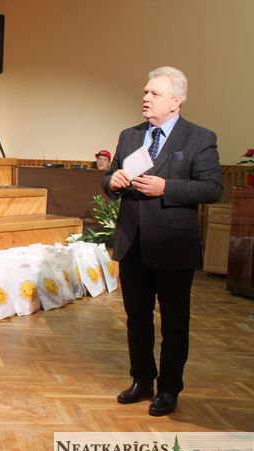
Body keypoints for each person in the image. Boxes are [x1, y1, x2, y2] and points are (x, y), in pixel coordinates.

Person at [102, 66, 222, 416]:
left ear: (176, 101)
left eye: (154, 93)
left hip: (173, 246)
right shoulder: (129, 135)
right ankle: (142, 380)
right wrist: (112, 182)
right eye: (145, 92)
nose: (145, 98)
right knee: (136, 319)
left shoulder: (200, 138)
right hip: (133, 243)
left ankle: (169, 389)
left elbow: (212, 188)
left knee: (174, 324)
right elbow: (109, 178)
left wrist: (166, 187)